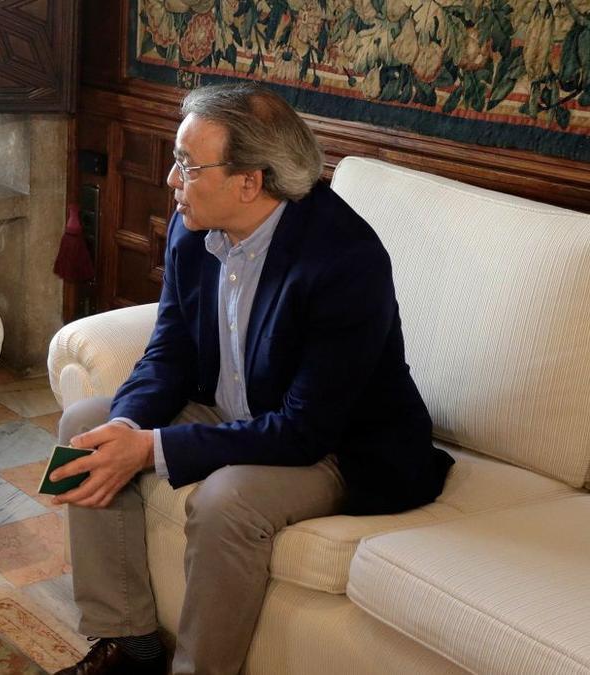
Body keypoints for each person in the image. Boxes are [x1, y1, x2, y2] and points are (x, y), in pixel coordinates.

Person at [49, 83, 454, 675]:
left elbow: (302, 432)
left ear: (250, 181)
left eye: (187, 165)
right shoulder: (192, 229)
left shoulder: (345, 260)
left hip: (340, 447)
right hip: (243, 413)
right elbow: (169, 353)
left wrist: (151, 449)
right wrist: (127, 426)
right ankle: (126, 642)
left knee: (226, 500)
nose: (170, 179)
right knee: (86, 426)